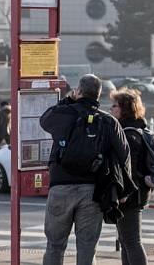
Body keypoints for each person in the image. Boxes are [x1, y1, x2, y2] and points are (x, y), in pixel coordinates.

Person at [40, 74, 133, 265]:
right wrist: (123, 190)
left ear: (79, 91)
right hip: (93, 190)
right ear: (99, 95)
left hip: (60, 187)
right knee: (87, 246)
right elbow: (124, 156)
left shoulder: (64, 113)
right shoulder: (108, 122)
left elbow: (45, 120)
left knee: (55, 246)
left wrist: (68, 99)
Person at [109, 89, 151, 265]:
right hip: (133, 193)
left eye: (114, 105)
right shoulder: (133, 128)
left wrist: (123, 192)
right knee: (127, 241)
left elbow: (130, 169)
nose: (111, 109)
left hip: (131, 195)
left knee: (132, 241)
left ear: (124, 109)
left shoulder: (129, 134)